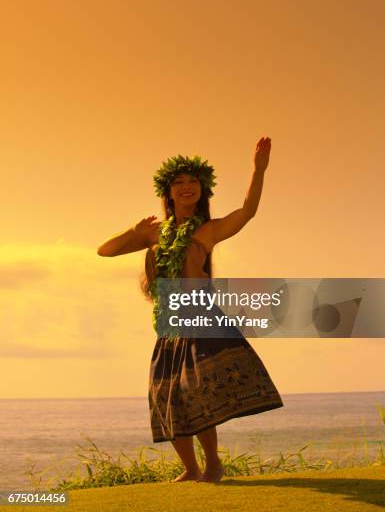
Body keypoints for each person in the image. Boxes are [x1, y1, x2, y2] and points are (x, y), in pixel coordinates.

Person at [97, 136, 284, 483]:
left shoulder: (208, 231)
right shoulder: (156, 234)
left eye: (192, 182)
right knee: (166, 395)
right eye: (179, 182)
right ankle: (191, 468)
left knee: (194, 392)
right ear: (168, 191)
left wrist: (258, 171)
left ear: (202, 189)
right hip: (169, 325)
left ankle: (212, 463)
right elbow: (104, 251)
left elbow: (247, 211)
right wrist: (133, 232)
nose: (186, 187)